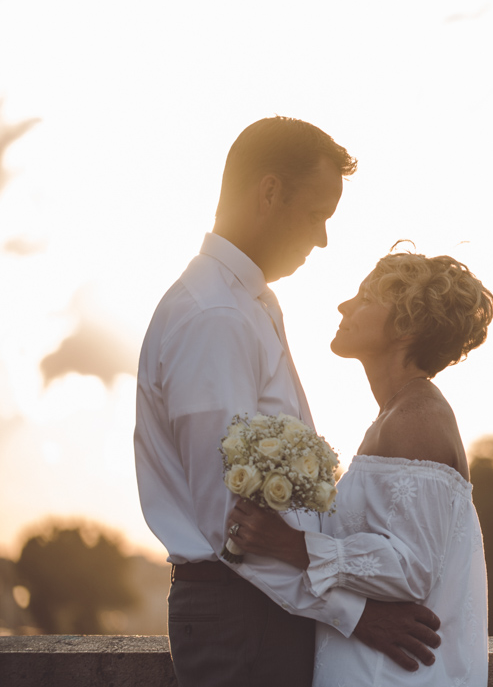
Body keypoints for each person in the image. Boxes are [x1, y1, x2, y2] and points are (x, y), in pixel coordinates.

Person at [134, 117, 441, 686]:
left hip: (266, 607)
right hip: (241, 615)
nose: (322, 238)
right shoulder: (216, 317)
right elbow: (231, 524)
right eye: (317, 214)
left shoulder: (250, 304)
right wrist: (359, 616)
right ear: (269, 192)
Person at [225, 248, 493, 687]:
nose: (344, 306)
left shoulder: (418, 419)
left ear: (406, 325)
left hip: (392, 676)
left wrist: (290, 545)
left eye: (366, 297)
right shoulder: (396, 416)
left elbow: (411, 569)